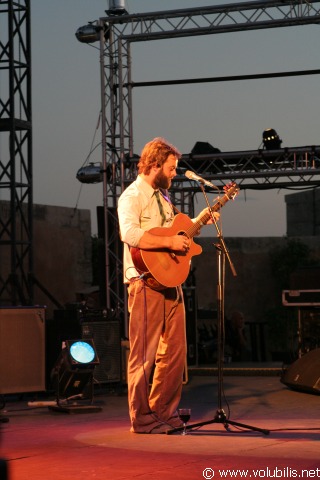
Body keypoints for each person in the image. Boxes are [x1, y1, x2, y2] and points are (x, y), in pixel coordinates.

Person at [117, 137, 219, 434]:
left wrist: (201, 221)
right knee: (144, 355)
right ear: (154, 165)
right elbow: (131, 235)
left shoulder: (163, 198)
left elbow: (177, 236)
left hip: (169, 282)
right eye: (171, 168)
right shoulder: (132, 196)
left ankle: (164, 411)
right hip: (144, 281)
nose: (174, 173)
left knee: (175, 351)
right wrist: (169, 241)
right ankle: (142, 418)